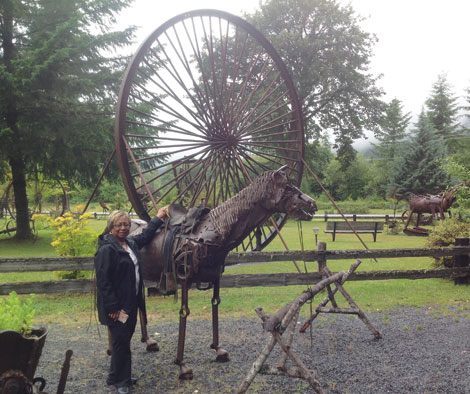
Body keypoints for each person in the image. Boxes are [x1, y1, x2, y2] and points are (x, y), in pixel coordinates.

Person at [94, 207, 168, 394]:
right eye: (119, 225)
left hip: (131, 303)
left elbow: (145, 236)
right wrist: (112, 308)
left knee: (123, 339)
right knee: (122, 343)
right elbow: (104, 281)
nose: (123, 228)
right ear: (111, 227)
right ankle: (122, 382)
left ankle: (114, 375)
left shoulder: (129, 244)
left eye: (126, 225)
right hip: (117, 307)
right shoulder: (107, 250)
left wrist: (158, 218)